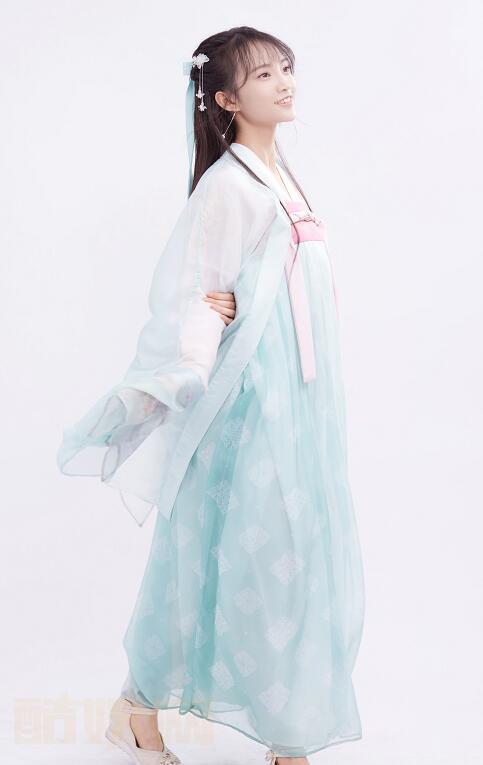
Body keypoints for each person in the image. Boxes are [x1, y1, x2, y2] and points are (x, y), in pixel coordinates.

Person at [57, 26, 366, 765]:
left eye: (286, 68)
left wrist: (246, 296)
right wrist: (182, 370)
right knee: (253, 556)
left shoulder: (280, 176)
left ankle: (155, 710)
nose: (284, 82)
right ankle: (275, 738)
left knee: (278, 553)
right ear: (225, 99)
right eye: (263, 75)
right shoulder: (228, 186)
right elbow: (193, 291)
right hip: (251, 406)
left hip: (298, 406)